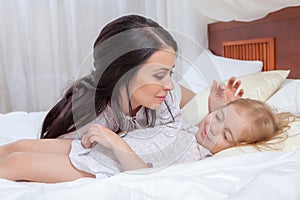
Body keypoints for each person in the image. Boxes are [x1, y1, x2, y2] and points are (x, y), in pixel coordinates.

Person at [39, 14, 243, 140]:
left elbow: (186, 138)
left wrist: (216, 111)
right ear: (120, 73)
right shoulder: (89, 120)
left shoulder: (166, 98)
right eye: (159, 74)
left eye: (170, 72)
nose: (169, 85)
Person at [0, 98, 294, 183]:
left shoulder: (195, 157)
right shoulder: (195, 132)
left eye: (226, 134)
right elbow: (205, 125)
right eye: (218, 117)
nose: (212, 128)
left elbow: (143, 171)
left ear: (236, 148)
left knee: (20, 162)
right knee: (21, 146)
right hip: (93, 146)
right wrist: (215, 108)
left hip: (103, 166)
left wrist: (114, 141)